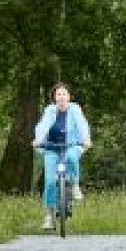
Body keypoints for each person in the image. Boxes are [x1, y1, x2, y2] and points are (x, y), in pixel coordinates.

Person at [32, 83, 90, 230]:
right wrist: (38, 139)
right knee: (50, 182)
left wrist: (86, 139)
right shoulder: (50, 111)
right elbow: (43, 125)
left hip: (71, 145)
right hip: (51, 147)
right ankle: (49, 216)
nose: (62, 97)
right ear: (54, 98)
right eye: (58, 94)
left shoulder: (75, 109)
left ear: (69, 97)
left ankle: (75, 185)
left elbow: (82, 125)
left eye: (64, 94)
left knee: (71, 158)